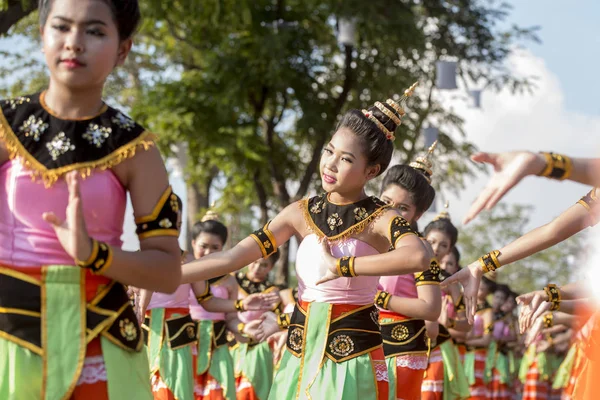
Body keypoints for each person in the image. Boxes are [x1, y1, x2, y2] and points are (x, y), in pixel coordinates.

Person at [179, 84, 434, 399]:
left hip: (351, 357)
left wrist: (345, 266)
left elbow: (418, 256)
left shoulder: (381, 218)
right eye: (329, 151)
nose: (330, 164)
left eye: (345, 159)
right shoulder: (301, 212)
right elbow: (233, 257)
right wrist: (169, 274)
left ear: (372, 170)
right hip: (299, 350)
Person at [0, 1, 186, 398]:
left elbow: (168, 271)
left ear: (123, 50)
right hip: (7, 334)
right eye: (62, 27)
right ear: (42, 34)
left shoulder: (137, 149)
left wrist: (94, 254)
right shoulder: (6, 125)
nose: (74, 43)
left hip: (101, 337)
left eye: (95, 31)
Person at [374, 157, 440, 400]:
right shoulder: (364, 239)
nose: (391, 211)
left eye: (402, 208)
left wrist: (381, 298)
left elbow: (431, 309)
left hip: (403, 348)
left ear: (418, 214)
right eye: (386, 202)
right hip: (361, 339)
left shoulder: (422, 250)